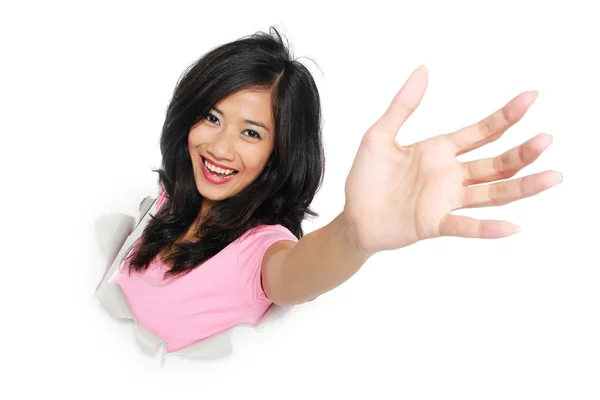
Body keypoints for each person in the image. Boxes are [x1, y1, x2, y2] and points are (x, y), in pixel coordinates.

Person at [110, 27, 562, 353]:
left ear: (278, 153)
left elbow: (299, 271)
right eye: (211, 117)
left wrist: (354, 233)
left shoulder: (262, 254)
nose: (220, 148)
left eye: (251, 133)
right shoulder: (171, 200)